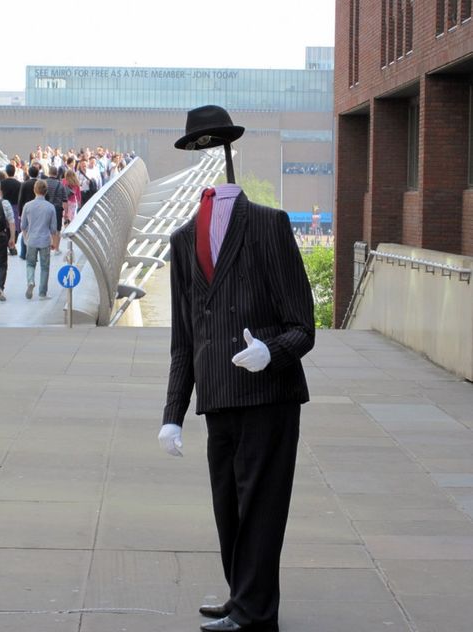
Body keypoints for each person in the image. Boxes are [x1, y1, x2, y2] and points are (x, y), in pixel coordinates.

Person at [158, 105, 315, 632]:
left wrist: (270, 351)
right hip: (219, 399)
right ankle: (241, 595)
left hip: (269, 397)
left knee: (262, 510)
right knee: (229, 508)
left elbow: (302, 326)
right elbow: (185, 339)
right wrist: (172, 413)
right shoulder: (181, 242)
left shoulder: (269, 226)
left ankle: (254, 614)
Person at [20, 179, 57, 300]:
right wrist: (54, 242)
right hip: (45, 240)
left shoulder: (27, 206)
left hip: (31, 240)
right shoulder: (50, 207)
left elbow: (23, 226)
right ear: (46, 191)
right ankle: (42, 293)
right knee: (45, 267)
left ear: (34, 190)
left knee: (30, 264)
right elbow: (53, 229)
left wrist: (26, 237)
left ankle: (30, 281)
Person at [17, 164, 40, 259]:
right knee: (37, 230)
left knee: (25, 231)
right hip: (38, 209)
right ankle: (35, 253)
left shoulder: (24, 184)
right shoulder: (40, 183)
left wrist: (19, 212)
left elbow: (20, 199)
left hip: (26, 210)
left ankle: (23, 253)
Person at [0, 181, 16, 302]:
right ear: (0, 191)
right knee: (2, 263)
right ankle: (0, 287)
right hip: (1, 236)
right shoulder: (5, 203)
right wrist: (12, 238)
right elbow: (11, 221)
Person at [45, 166, 68, 254]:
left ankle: (47, 247)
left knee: (46, 227)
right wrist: (66, 213)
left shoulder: (44, 183)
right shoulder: (61, 184)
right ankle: (56, 248)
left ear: (49, 173)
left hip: (46, 207)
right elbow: (65, 200)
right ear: (56, 173)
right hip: (57, 208)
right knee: (57, 228)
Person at [1, 163, 21, 254]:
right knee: (13, 225)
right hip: (15, 205)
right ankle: (12, 244)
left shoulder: (2, 183)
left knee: (4, 225)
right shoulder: (19, 184)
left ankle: (6, 244)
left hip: (2, 205)